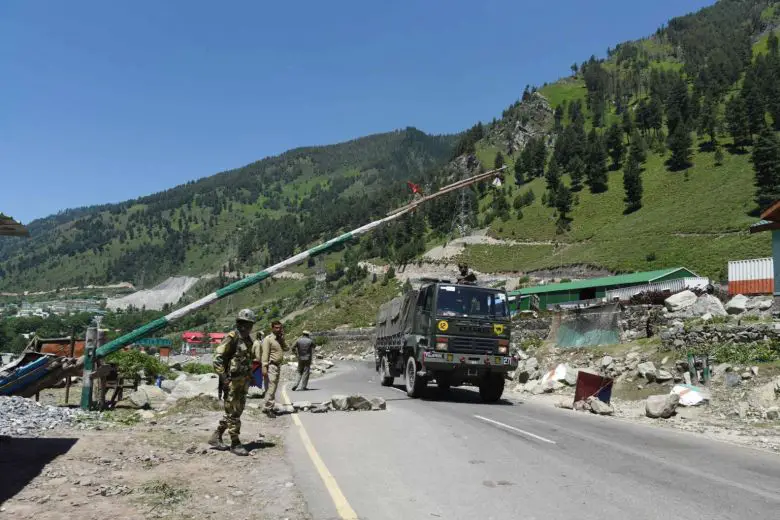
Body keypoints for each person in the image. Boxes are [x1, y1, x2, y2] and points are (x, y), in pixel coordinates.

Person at [209, 309, 256, 456]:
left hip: (243, 382)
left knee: (235, 412)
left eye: (249, 324)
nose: (246, 327)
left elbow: (247, 360)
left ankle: (216, 436)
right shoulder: (232, 337)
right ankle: (235, 443)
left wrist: (251, 375)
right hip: (232, 383)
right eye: (243, 323)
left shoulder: (248, 340)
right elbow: (217, 358)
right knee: (234, 413)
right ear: (238, 323)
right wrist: (223, 378)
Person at [259, 320, 287, 417]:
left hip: (277, 366)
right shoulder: (268, 339)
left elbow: (287, 348)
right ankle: (268, 408)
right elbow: (265, 354)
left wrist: (282, 339)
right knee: (270, 388)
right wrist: (264, 367)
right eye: (276, 327)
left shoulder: (279, 339)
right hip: (271, 366)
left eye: (280, 327)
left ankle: (269, 407)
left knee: (273, 388)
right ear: (272, 328)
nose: (278, 329)